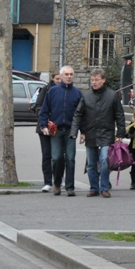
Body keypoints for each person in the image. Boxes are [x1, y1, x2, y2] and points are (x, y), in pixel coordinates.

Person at [70, 67, 126, 198]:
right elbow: (78, 114)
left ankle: (104, 187)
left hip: (107, 133)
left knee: (105, 160)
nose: (94, 82)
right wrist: (75, 131)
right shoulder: (87, 96)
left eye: (96, 80)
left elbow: (120, 115)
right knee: (91, 163)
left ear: (103, 80)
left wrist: (120, 134)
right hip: (91, 133)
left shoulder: (112, 95)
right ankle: (94, 187)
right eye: (92, 80)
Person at [38, 66, 82, 197]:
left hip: (70, 130)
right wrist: (43, 125)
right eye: (66, 74)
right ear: (61, 77)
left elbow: (81, 114)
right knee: (56, 158)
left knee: (70, 158)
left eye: (71, 74)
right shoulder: (52, 92)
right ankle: (57, 184)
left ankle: (70, 187)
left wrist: (83, 131)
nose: (69, 77)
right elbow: (44, 110)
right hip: (55, 130)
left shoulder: (77, 93)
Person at [32, 73, 62, 192]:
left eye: (61, 78)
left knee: (59, 156)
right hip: (45, 127)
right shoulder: (45, 90)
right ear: (52, 79)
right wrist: (46, 118)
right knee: (47, 155)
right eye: (57, 78)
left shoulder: (65, 90)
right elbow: (37, 106)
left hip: (59, 127)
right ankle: (48, 181)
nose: (59, 81)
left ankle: (58, 180)